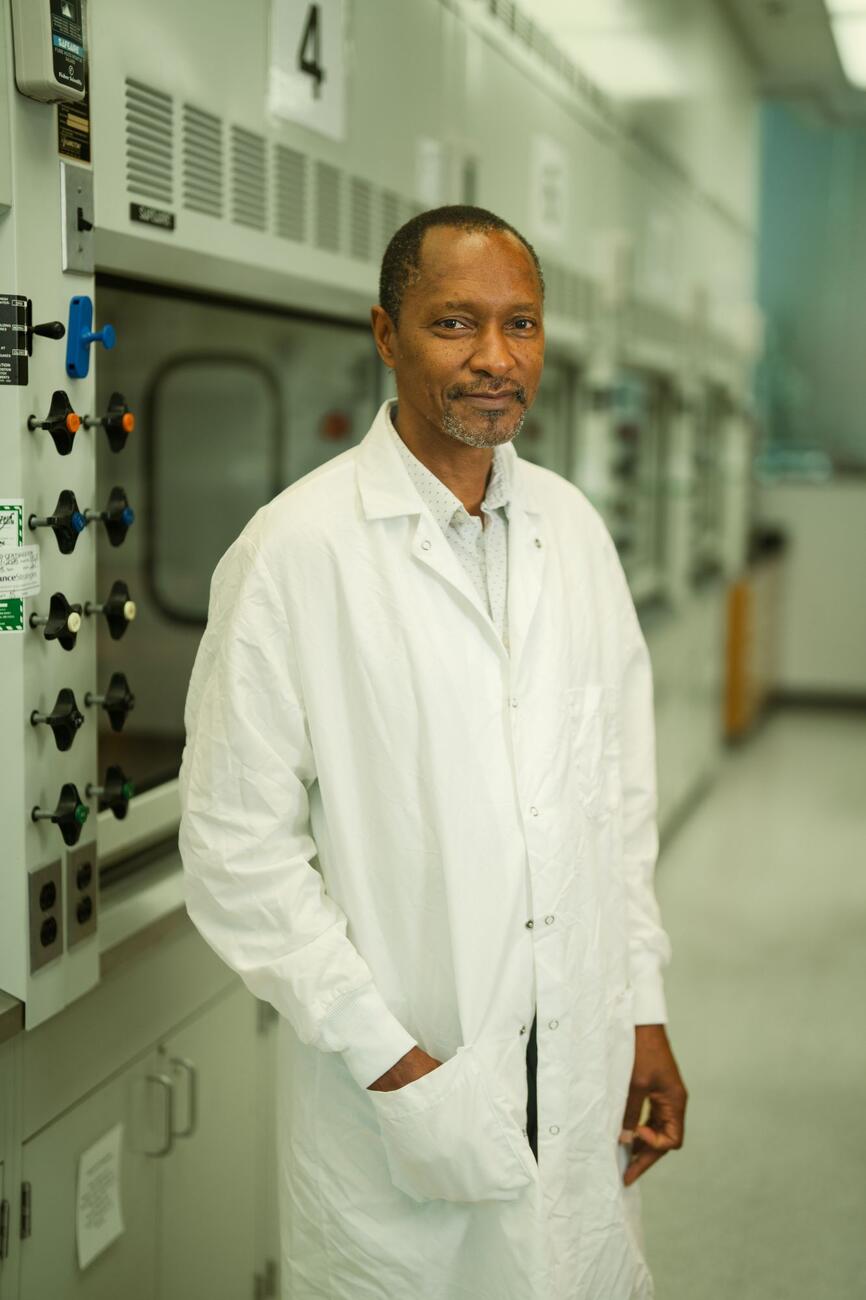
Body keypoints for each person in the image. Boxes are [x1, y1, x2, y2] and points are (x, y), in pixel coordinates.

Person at [178, 205, 687, 1299]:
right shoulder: (292, 552)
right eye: (454, 323)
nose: (495, 359)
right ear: (384, 333)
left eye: (521, 324)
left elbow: (615, 798)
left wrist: (638, 1010)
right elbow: (234, 852)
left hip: (580, 1053)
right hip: (404, 1081)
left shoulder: (572, 531)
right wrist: (392, 1061)